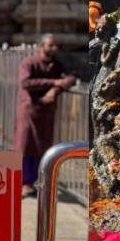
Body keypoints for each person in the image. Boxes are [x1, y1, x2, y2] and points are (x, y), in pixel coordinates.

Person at [14, 34, 76, 197]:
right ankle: (24, 182)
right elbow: (25, 83)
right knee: (26, 146)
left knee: (42, 146)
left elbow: (70, 78)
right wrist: (54, 83)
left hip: (46, 112)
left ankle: (36, 181)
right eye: (50, 45)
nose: (53, 48)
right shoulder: (29, 63)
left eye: (55, 45)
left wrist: (55, 90)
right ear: (41, 47)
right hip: (29, 110)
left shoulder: (56, 64)